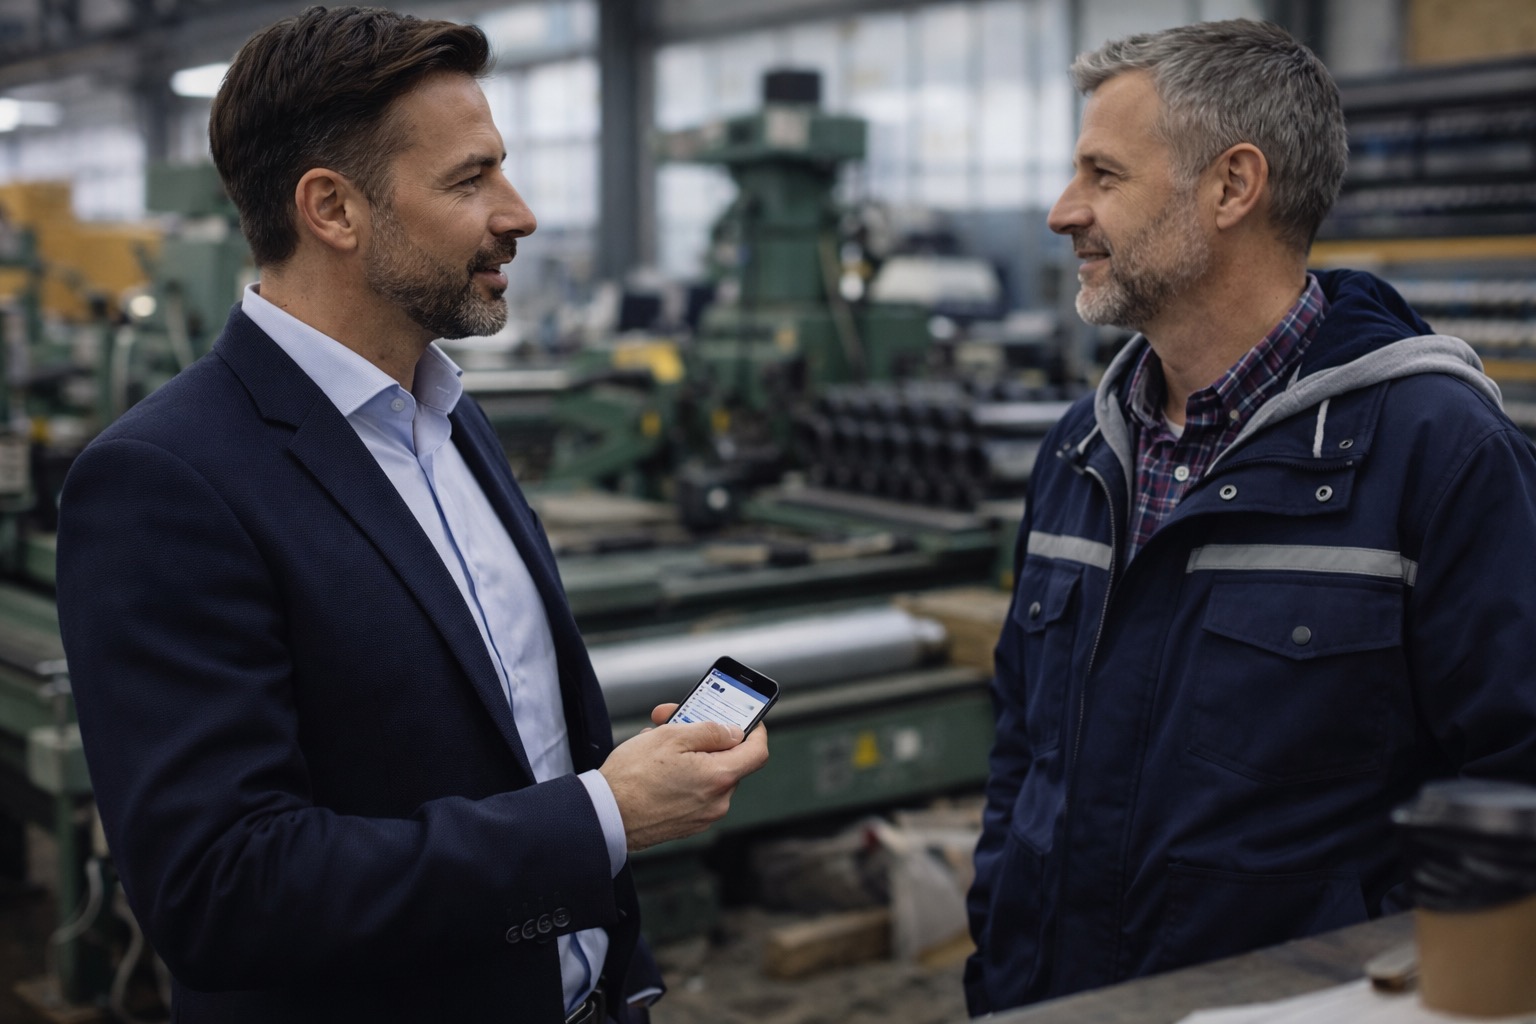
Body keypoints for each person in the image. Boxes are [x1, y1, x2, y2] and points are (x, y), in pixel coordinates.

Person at [54, 8, 768, 1022]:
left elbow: (503, 745)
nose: (518, 214)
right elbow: (222, 890)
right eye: (470, 180)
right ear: (333, 210)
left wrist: (609, 803)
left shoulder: (449, 418)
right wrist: (601, 813)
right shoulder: (164, 481)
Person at [965, 18, 1536, 1015]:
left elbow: (1515, 793)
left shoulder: (1439, 453)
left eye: (1104, 175)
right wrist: (1003, 957)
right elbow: (1021, 752)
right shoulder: (1081, 449)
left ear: (1233, 186)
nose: (1064, 211)